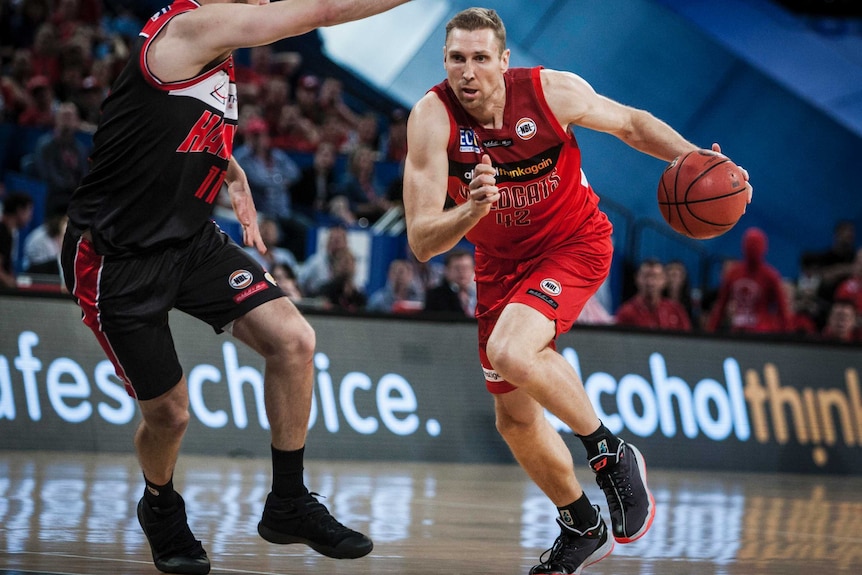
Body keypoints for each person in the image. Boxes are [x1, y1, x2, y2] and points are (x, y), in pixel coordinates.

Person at [58, 1, 410, 574]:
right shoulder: (194, 27)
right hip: (116, 257)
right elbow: (322, 10)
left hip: (189, 237)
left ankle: (288, 502)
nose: (270, 3)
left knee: (293, 341)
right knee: (170, 415)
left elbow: (162, 124)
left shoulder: (208, 46)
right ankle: (160, 506)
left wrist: (231, 168)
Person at [401, 8, 752, 575]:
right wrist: (470, 209)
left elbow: (632, 124)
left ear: (504, 61)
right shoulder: (431, 118)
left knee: (512, 350)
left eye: (481, 58)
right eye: (456, 59)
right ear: (445, 62)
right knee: (513, 421)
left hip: (574, 243)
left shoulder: (549, 91)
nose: (468, 72)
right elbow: (421, 242)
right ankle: (581, 524)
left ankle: (611, 454)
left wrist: (698, 159)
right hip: (499, 265)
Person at [706, 227, 789, 334]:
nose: (753, 249)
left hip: (758, 331)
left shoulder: (768, 276)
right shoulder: (768, 275)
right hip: (746, 330)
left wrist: (711, 330)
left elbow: (782, 308)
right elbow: (721, 305)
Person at [32, 101, 90, 217]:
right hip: (55, 197)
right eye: (64, 116)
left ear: (77, 121)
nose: (67, 120)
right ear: (56, 119)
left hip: (75, 198)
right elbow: (47, 175)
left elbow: (84, 175)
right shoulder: (45, 145)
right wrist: (72, 189)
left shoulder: (80, 148)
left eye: (70, 116)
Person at [615, 258, 692, 331]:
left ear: (664, 280)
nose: (650, 282)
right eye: (646, 276)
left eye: (655, 277)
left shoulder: (676, 310)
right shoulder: (626, 312)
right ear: (637, 278)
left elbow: (687, 340)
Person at [423, 248, 477, 317]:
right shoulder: (435, 296)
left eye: (466, 268)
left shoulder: (480, 295)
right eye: (457, 268)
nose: (462, 272)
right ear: (447, 270)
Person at [1, 192, 35, 289]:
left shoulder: (11, 233)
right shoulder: (2, 233)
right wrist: (13, 286)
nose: (30, 217)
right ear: (20, 211)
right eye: (29, 211)